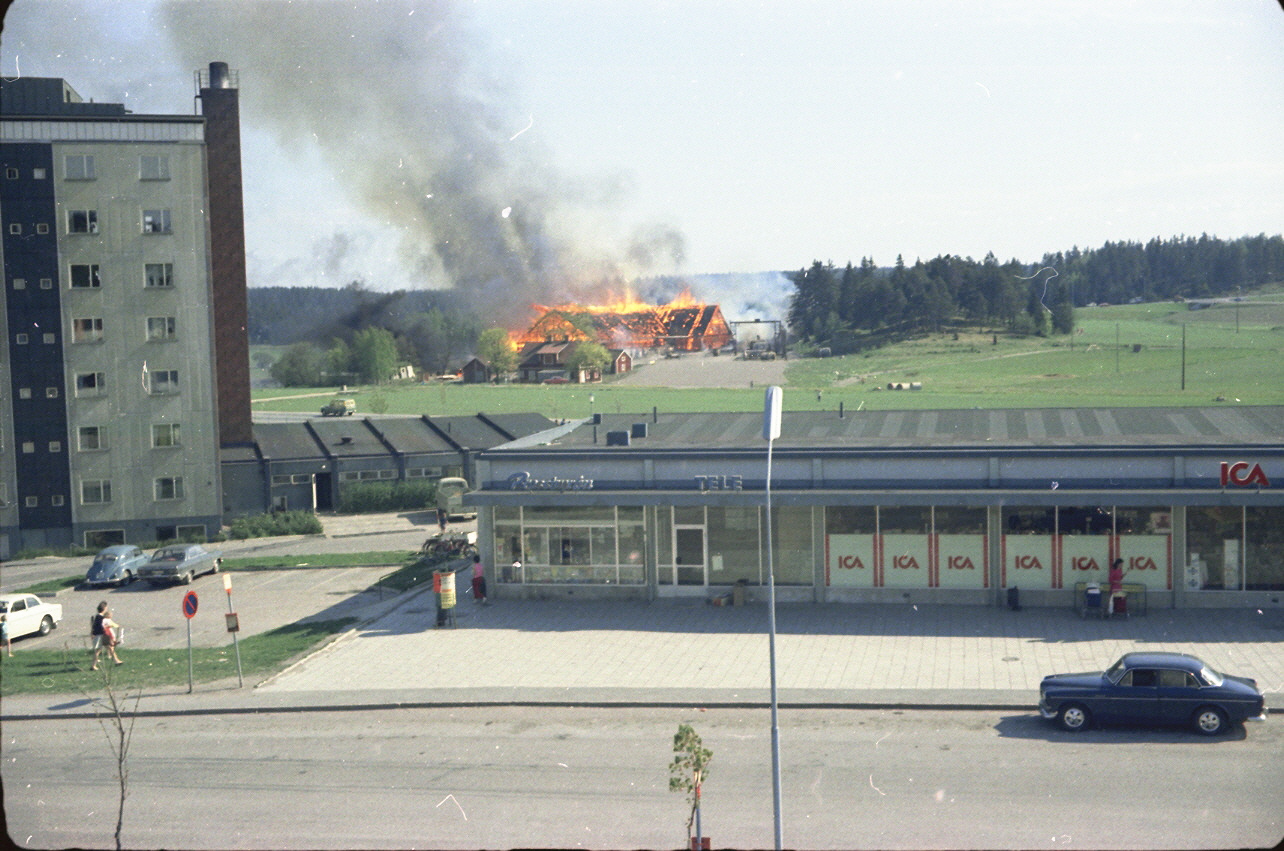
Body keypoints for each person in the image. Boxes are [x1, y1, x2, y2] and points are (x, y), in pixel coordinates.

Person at [91, 601, 123, 669]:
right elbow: (102, 626)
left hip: (99, 635)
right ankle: (93, 665)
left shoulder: (97, 616)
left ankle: (116, 660)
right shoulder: (101, 617)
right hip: (101, 635)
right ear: (104, 608)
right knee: (99, 650)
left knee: (109, 648)